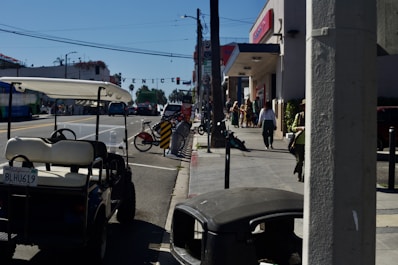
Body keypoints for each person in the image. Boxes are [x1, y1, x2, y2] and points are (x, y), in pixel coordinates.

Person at [292, 99, 306, 182]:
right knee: (300, 161)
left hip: (309, 143)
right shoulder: (299, 116)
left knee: (308, 161)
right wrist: (300, 128)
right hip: (299, 142)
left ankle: (305, 176)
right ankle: (299, 174)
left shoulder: (313, 116)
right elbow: (292, 128)